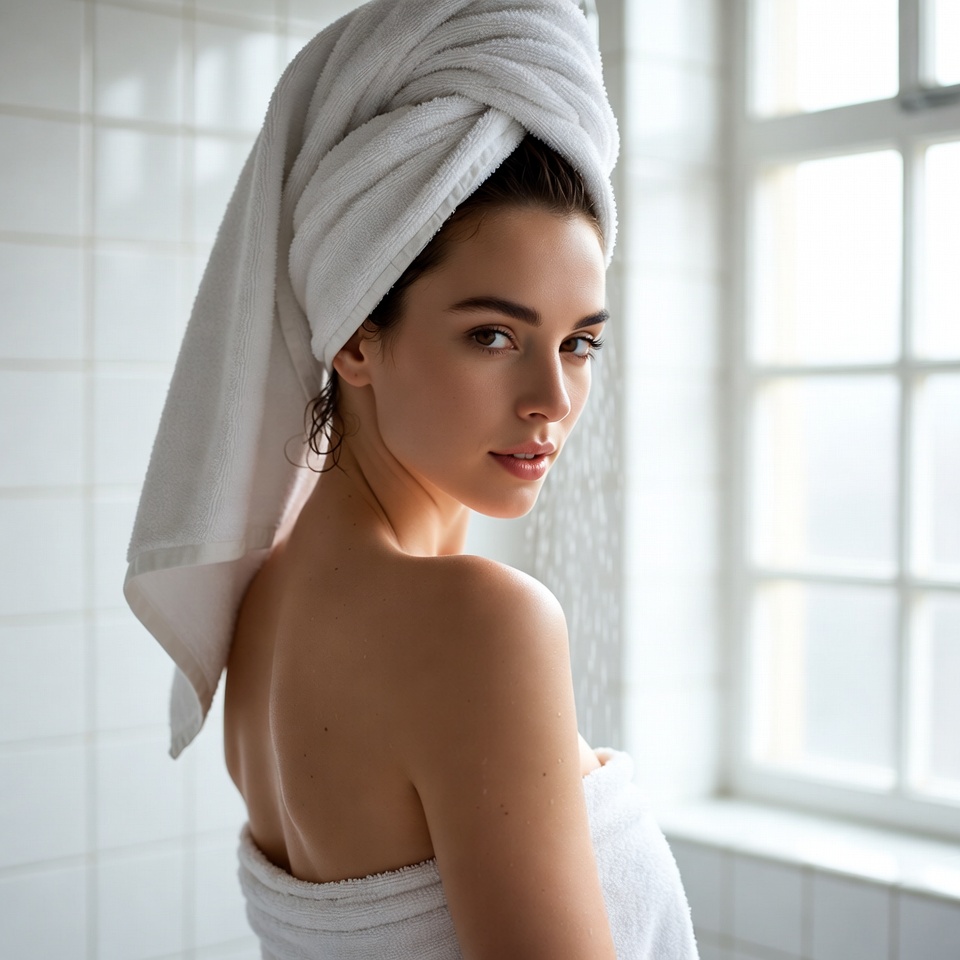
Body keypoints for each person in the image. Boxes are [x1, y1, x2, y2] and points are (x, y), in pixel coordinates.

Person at [124, 1, 698, 957]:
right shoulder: (482, 623)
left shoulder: (262, 608)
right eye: (494, 336)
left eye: (580, 342)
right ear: (356, 336)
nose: (552, 398)